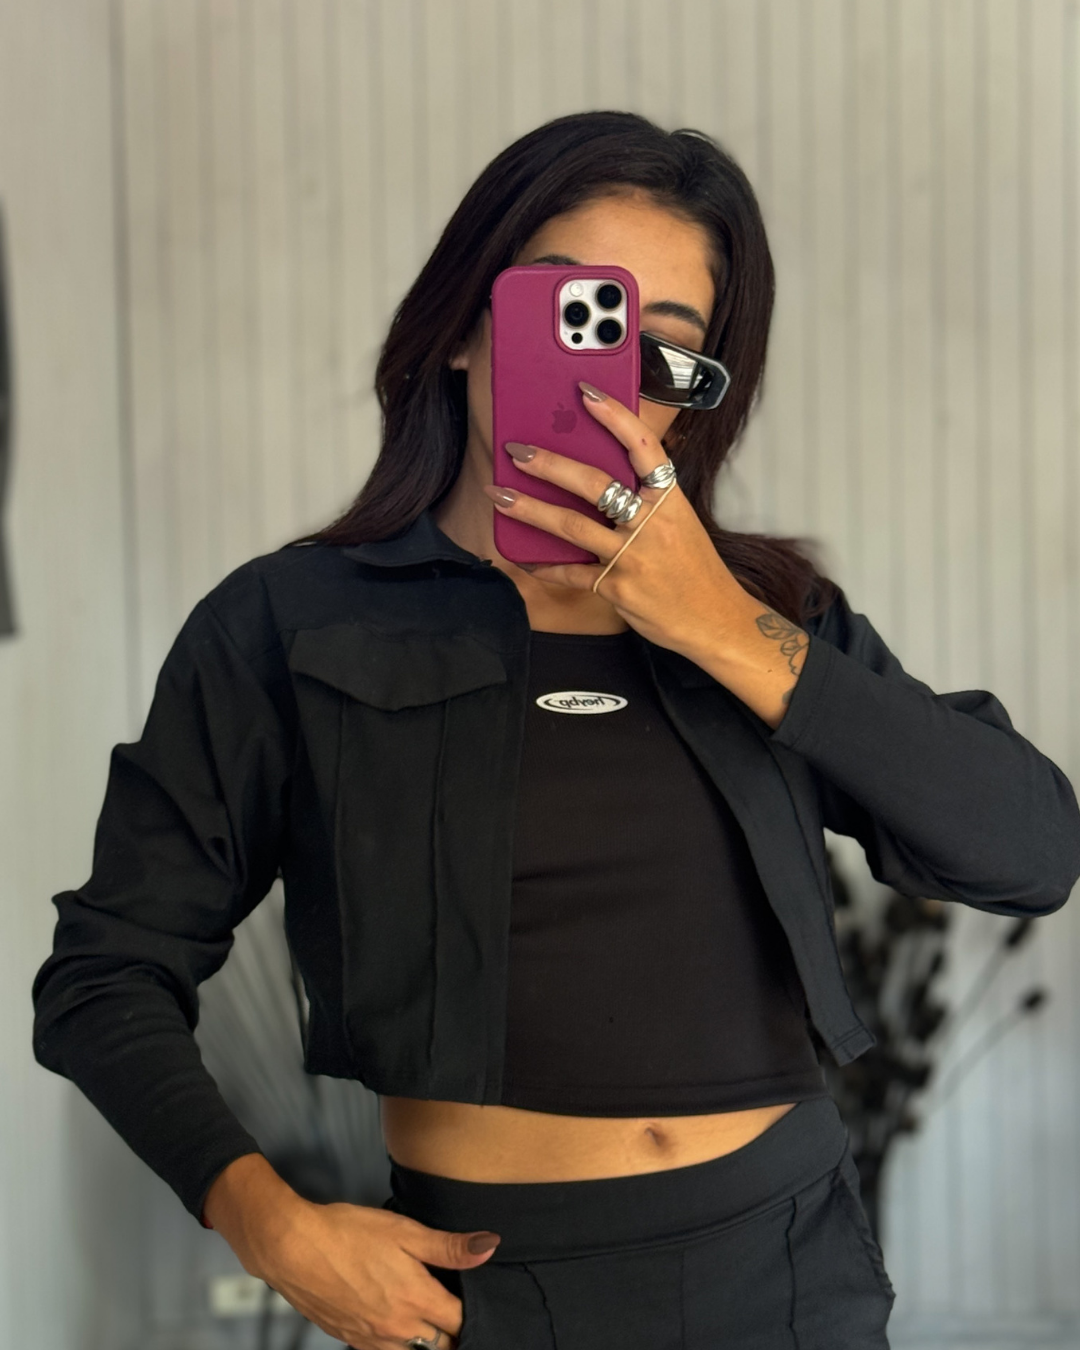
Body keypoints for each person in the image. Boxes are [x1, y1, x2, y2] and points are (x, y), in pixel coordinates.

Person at [32, 111, 1080, 1350]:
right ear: (468, 326)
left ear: (690, 400)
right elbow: (105, 970)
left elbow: (1031, 854)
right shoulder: (288, 623)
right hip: (477, 1292)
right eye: (573, 313)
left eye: (661, 348)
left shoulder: (772, 621)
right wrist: (269, 1223)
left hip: (787, 1267)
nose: (606, 374)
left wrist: (727, 629)